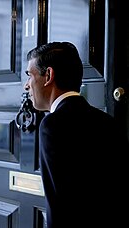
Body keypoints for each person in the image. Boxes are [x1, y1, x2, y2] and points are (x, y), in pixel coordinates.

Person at [24, 41, 128, 227]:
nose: (26, 86)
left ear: (48, 75)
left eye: (30, 76)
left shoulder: (52, 125)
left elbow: (60, 204)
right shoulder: (107, 122)